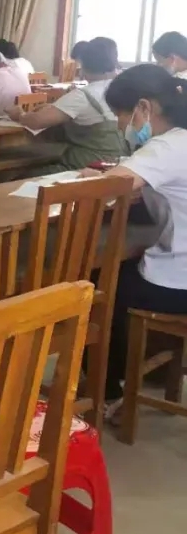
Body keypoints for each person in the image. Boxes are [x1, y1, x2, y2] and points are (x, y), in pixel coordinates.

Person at [76, 65, 187, 418]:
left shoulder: (167, 146)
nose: (121, 125)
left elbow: (105, 191)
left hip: (178, 282)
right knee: (121, 270)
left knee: (95, 286)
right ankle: (133, 373)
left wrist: (95, 179)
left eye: (122, 115)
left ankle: (106, 390)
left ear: (144, 107)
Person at [4, 37, 127, 171]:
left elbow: (36, 121)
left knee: (22, 175)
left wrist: (20, 115)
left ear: (83, 66)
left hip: (85, 167)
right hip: (119, 165)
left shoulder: (84, 95)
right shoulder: (122, 89)